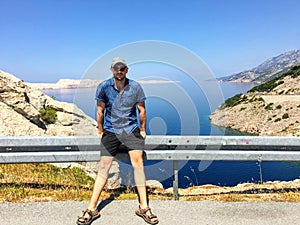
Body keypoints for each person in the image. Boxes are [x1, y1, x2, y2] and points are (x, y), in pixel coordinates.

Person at [77, 57, 159, 225]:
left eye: (122, 68)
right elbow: (100, 111)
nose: (119, 71)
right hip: (111, 131)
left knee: (138, 166)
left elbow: (142, 110)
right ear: (111, 70)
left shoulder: (135, 87)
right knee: (103, 168)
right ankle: (91, 209)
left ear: (127, 70)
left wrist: (142, 130)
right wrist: (100, 130)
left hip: (130, 130)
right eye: (116, 68)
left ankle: (144, 208)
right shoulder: (104, 87)